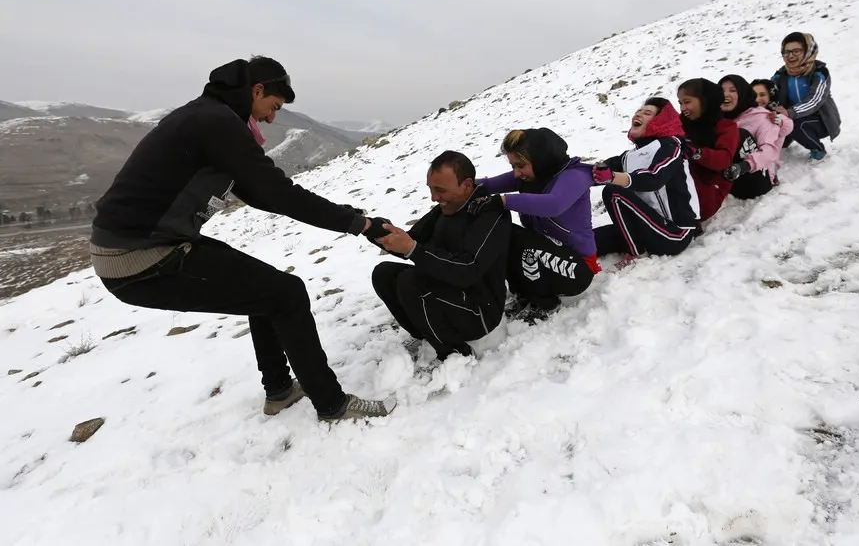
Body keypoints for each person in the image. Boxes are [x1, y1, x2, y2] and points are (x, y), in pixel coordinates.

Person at [89, 56, 395, 423]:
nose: (271, 117)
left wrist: (353, 218)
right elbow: (279, 193)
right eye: (273, 106)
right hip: (140, 258)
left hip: (147, 245)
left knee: (265, 289)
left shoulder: (210, 117)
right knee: (286, 294)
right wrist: (359, 225)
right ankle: (332, 404)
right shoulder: (218, 123)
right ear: (257, 90)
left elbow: (261, 194)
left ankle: (280, 391)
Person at [370, 151, 512, 361]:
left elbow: (467, 270)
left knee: (411, 282)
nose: (434, 197)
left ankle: (455, 354)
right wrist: (376, 232)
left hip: (480, 312)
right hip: (449, 294)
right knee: (384, 273)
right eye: (431, 189)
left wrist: (413, 248)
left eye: (440, 190)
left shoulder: (489, 214)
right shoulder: (446, 209)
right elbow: (412, 241)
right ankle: (426, 334)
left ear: (466, 185)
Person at [474, 128, 600, 318]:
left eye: (520, 166)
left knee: (524, 242)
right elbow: (489, 185)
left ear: (542, 158)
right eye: (513, 166)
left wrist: (504, 201)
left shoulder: (575, 176)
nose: (516, 173)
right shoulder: (535, 174)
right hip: (547, 257)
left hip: (578, 269)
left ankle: (545, 303)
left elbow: (554, 204)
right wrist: (462, 186)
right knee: (503, 233)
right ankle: (524, 294)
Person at [592, 98, 701, 267]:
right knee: (588, 240)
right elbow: (596, 172)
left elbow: (653, 178)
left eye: (647, 113)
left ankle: (637, 253)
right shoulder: (629, 156)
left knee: (613, 192)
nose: (639, 114)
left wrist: (613, 177)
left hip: (675, 234)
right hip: (646, 226)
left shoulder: (670, 146)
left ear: (660, 121)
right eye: (639, 111)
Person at [718, 74, 793, 199]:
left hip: (757, 179)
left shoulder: (766, 117)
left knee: (737, 134)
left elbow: (769, 151)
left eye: (732, 90)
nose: (726, 94)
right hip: (730, 176)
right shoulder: (722, 116)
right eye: (722, 91)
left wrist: (744, 166)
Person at [770, 32, 842, 161]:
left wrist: (790, 113)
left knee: (795, 124)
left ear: (808, 51)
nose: (790, 56)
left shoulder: (820, 72)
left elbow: (815, 100)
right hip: (791, 115)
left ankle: (818, 149)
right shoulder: (781, 74)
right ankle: (788, 138)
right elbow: (769, 93)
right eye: (786, 52)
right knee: (775, 123)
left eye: (796, 51)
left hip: (822, 120)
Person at [676, 79, 740, 221]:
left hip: (709, 189)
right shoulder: (679, 124)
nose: (683, 108)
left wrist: (697, 153)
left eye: (687, 102)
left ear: (705, 100)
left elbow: (724, 159)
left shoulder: (726, 127)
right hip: (683, 184)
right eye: (680, 103)